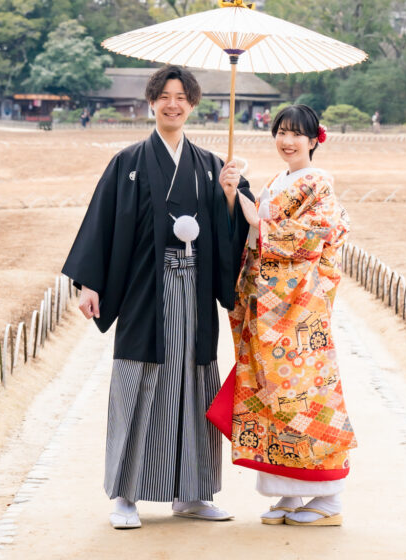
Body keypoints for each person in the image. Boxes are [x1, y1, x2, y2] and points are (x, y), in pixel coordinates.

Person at [62, 65, 251, 530]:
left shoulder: (210, 165)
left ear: (192, 104)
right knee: (138, 384)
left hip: (195, 293)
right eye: (164, 96)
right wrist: (91, 283)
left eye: (181, 96)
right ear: (151, 102)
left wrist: (229, 195)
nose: (173, 103)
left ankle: (193, 492)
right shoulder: (128, 162)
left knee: (193, 383)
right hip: (149, 291)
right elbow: (101, 223)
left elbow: (235, 231)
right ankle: (126, 494)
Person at [210, 104, 357, 527]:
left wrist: (256, 214)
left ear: (315, 140)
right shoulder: (280, 181)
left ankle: (327, 498)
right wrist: (232, 193)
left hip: (298, 310)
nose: (287, 140)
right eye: (281, 132)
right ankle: (291, 493)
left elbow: (313, 238)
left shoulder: (318, 185)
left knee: (306, 393)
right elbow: (255, 230)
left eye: (297, 133)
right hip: (269, 301)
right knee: (272, 391)